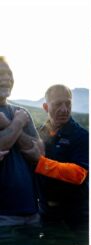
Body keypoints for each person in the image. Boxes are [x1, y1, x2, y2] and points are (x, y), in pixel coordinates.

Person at [32, 84, 88, 227]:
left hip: (75, 217)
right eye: (57, 104)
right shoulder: (37, 134)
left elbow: (79, 174)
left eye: (68, 104)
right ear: (45, 107)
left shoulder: (81, 136)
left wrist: (40, 163)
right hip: (44, 214)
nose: (64, 109)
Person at [0, 56, 40, 226]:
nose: (8, 78)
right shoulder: (20, 117)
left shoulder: (21, 113)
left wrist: (11, 125)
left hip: (31, 212)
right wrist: (17, 124)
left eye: (10, 74)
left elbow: (38, 152)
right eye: (2, 73)